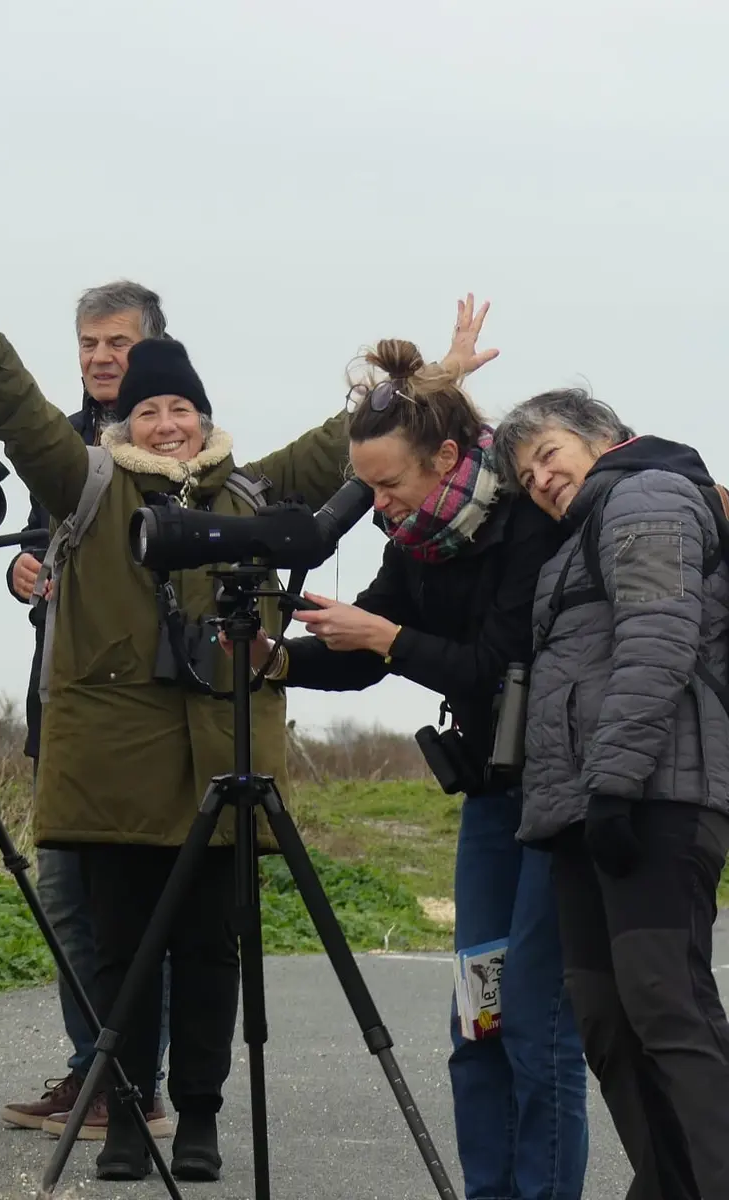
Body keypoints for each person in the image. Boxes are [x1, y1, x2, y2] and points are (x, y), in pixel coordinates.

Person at [0, 250, 354, 1182]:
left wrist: (430, 383)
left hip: (218, 768)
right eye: (148, 410)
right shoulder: (90, 485)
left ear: (204, 415)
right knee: (122, 955)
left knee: (209, 953)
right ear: (123, 421)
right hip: (112, 773)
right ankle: (129, 1116)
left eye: (181, 407)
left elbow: (347, 439)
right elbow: (23, 421)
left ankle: (200, 1120)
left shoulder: (251, 492)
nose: (167, 422)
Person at [258, 323, 590, 1200]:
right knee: (476, 1021)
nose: (378, 505)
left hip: (558, 798)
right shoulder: (417, 539)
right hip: (488, 796)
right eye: (364, 488)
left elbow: (493, 662)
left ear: (446, 457)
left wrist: (389, 637)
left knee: (534, 1027)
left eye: (388, 484)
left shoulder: (527, 522)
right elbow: (367, 646)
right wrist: (276, 659)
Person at [493, 391, 729, 1200]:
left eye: (550, 454)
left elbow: (659, 641)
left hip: (654, 794)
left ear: (604, 439)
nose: (540, 479)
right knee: (605, 1018)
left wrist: (617, 787)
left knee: (667, 1004)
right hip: (585, 807)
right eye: (526, 475)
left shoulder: (646, 491)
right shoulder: (579, 534)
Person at [1, 280, 173, 1141]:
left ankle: (139, 1082)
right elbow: (38, 544)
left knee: (132, 908)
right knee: (66, 897)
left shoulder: (178, 439)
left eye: (118, 343)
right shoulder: (62, 444)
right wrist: (22, 573)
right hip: (60, 705)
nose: (102, 358)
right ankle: (91, 1068)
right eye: (89, 345)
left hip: (146, 717)